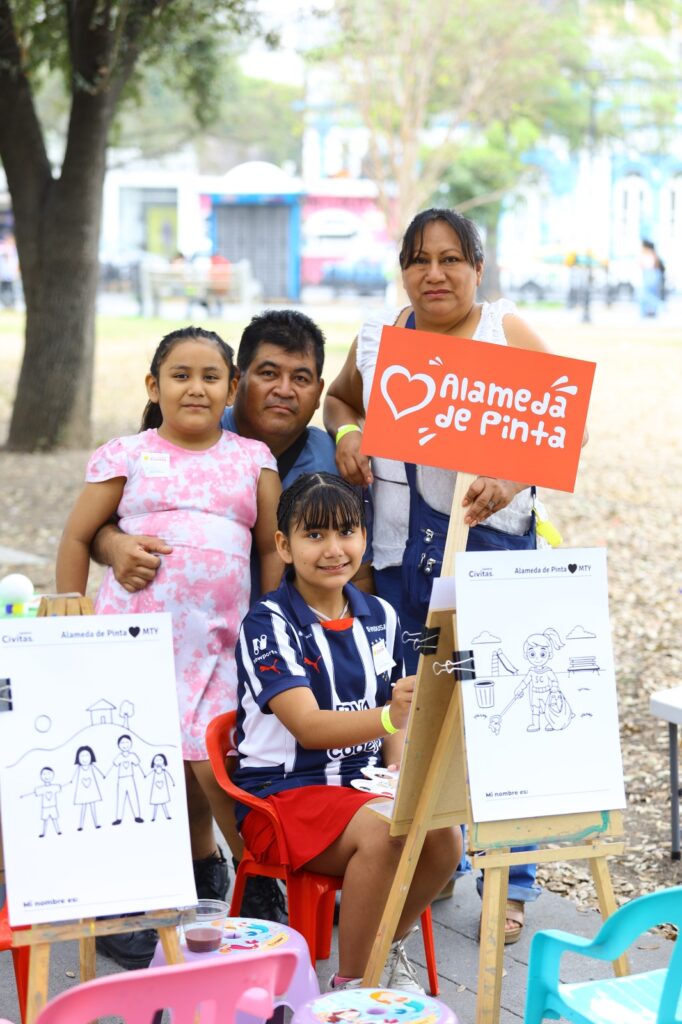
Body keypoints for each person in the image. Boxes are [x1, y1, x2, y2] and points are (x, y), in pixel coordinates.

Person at [324, 207, 588, 944]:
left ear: (479, 266)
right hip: (401, 562)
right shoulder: (381, 342)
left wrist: (507, 476)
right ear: (402, 268)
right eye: (418, 259)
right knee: (418, 713)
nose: (433, 274)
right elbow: (341, 398)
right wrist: (347, 433)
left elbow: (567, 425)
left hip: (494, 556)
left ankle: (512, 882)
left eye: (451, 259)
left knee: (502, 715)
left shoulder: (505, 331)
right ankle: (429, 863)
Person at [89, 311, 343, 925]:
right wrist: (114, 547)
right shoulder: (156, 442)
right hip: (144, 631)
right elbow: (94, 526)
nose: (283, 388)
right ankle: (170, 882)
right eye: (267, 373)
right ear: (242, 383)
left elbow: (290, 548)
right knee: (148, 753)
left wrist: (287, 628)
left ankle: (255, 870)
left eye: (301, 377)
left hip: (233, 637)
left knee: (217, 754)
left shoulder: (285, 459)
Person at [56, 325, 282, 966]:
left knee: (216, 762)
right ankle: (127, 899)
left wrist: (268, 633)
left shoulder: (252, 460)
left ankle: (254, 876)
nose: (195, 387)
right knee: (141, 768)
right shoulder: (128, 454)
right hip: (135, 649)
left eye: (212, 376)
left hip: (223, 646)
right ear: (154, 387)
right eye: (179, 375)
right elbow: (78, 539)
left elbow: (269, 549)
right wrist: (71, 630)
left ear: (232, 388)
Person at [234, 472, 459, 992]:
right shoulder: (268, 623)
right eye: (315, 536)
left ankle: (382, 948)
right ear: (284, 546)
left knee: (444, 835)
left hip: (361, 787)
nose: (334, 549)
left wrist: (400, 767)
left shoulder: (379, 613)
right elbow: (310, 728)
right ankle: (354, 988)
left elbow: (394, 716)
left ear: (365, 536)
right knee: (385, 834)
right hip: (282, 796)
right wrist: (390, 717)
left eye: (346, 532)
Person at [640, 239, 664, 318]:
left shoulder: (650, 254)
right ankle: (649, 312)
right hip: (651, 275)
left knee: (646, 295)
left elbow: (649, 266)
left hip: (650, 275)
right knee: (648, 294)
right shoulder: (652, 254)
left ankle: (659, 307)